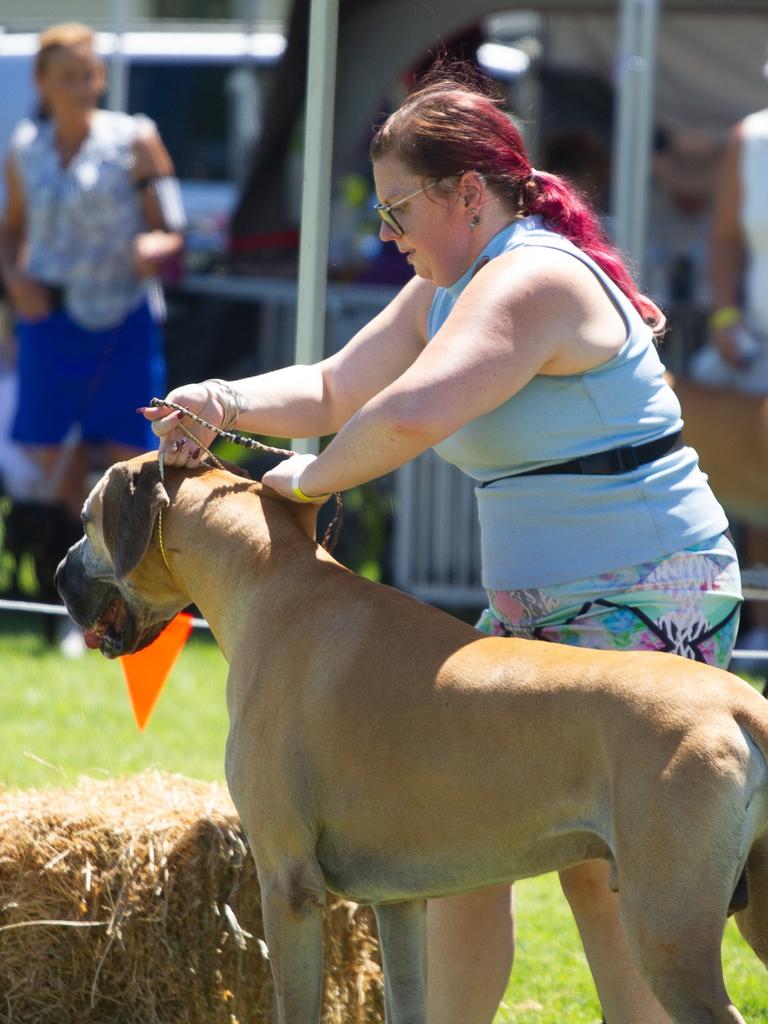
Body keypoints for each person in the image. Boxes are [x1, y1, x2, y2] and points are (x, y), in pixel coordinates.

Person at [145, 65, 742, 1024]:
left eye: (398, 210)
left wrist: (302, 480)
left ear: (470, 193)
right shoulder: (447, 284)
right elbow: (339, 385)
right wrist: (221, 401)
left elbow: (413, 413)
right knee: (464, 842)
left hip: (651, 583)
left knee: (603, 871)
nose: (389, 235)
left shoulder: (532, 275)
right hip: (529, 612)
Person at [0, 21, 185, 524]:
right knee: (49, 450)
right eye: (67, 77)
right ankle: (78, 551)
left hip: (122, 315)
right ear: (41, 82)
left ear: (101, 78)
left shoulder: (135, 138)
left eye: (88, 75)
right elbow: (10, 230)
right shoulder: (24, 148)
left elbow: (172, 228)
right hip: (51, 318)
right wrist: (15, 282)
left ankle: (127, 562)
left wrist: (156, 244)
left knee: (130, 454)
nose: (80, 88)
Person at [688, 84, 768, 661]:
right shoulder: (752, 138)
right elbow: (724, 240)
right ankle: (755, 626)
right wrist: (725, 316)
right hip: (755, 348)